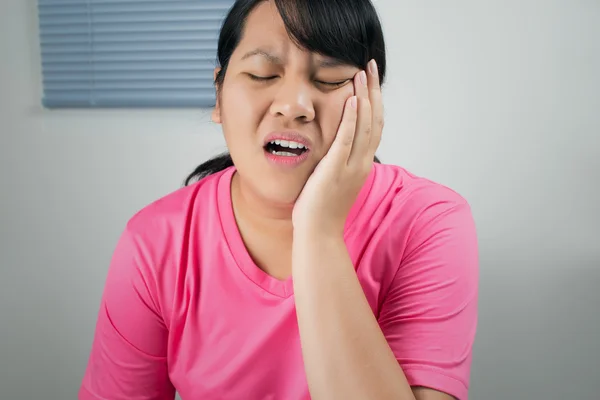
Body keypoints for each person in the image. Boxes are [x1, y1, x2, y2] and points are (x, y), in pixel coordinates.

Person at [78, 0, 479, 399]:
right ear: (218, 94)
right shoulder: (155, 242)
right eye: (262, 74)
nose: (294, 106)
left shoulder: (429, 222)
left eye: (329, 79)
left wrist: (318, 233)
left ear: (371, 103)